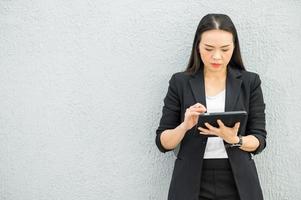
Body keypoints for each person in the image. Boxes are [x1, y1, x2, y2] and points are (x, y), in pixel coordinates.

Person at [155, 13, 267, 200]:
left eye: (225, 49)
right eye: (208, 48)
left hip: (239, 180)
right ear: (197, 46)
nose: (217, 56)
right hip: (190, 180)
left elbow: (259, 140)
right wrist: (184, 126)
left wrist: (235, 139)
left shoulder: (250, 82)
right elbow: (163, 143)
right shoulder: (180, 82)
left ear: (234, 48)